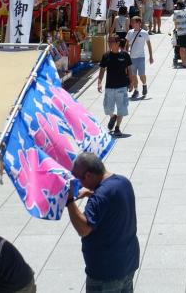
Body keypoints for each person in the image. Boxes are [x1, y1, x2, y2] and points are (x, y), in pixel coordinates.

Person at [67, 152, 139, 293]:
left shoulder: (100, 197)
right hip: (128, 264)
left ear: (88, 175)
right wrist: (92, 192)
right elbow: (110, 200)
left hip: (105, 273)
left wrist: (70, 201)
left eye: (78, 180)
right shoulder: (123, 182)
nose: (79, 184)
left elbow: (83, 229)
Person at [97, 36, 135, 137]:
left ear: (118, 43)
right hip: (109, 86)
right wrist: (99, 82)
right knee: (107, 108)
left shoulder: (125, 55)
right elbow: (102, 70)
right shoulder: (106, 55)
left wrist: (131, 82)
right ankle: (113, 117)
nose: (109, 43)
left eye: (112, 42)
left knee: (121, 108)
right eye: (109, 41)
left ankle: (117, 127)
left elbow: (129, 69)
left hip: (122, 86)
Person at [125, 16, 152, 101]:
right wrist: (125, 54)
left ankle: (144, 85)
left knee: (141, 75)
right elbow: (127, 44)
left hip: (141, 57)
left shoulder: (144, 33)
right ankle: (136, 90)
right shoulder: (130, 32)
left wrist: (151, 56)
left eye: (134, 22)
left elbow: (149, 44)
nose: (132, 24)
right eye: (132, 22)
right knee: (133, 76)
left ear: (139, 23)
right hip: (132, 58)